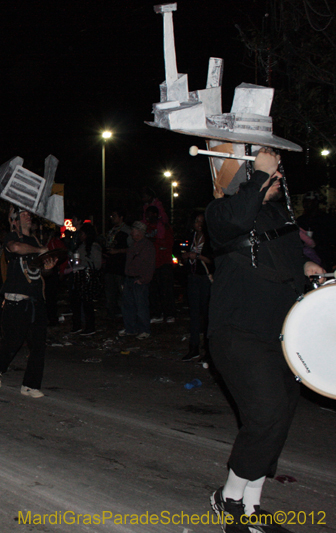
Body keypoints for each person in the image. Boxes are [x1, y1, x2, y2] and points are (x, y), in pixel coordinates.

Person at [206, 148, 325, 529]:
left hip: (281, 335)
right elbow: (239, 219)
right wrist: (259, 175)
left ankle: (251, 506)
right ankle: (228, 499)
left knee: (280, 418)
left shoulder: (278, 215)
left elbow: (286, 257)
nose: (277, 179)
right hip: (238, 332)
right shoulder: (220, 211)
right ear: (245, 177)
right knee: (267, 413)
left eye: (276, 175)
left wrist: (306, 266)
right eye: (271, 175)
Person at [0, 207, 56, 398]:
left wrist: (49, 266)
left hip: (36, 299)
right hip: (17, 300)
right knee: (13, 341)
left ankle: (30, 385)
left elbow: (43, 272)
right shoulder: (11, 238)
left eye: (29, 214)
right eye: (23, 214)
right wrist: (40, 250)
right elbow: (16, 248)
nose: (28, 216)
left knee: (39, 345)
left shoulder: (36, 241)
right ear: (15, 221)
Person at [180, 212, 213, 362]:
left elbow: (212, 260)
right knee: (194, 314)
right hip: (192, 277)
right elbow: (183, 253)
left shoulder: (210, 238)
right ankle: (193, 348)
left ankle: (208, 350)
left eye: (201, 221)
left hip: (205, 278)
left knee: (206, 314)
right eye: (196, 221)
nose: (199, 224)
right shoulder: (191, 237)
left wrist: (197, 256)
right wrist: (186, 257)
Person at [119, 221, 154, 339]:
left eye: (133, 230)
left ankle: (144, 330)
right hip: (130, 278)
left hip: (139, 280)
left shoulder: (147, 246)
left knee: (141, 306)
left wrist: (144, 279)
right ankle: (131, 329)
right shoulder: (134, 245)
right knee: (128, 306)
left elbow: (150, 265)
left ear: (139, 232)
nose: (131, 233)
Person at [67, 222, 102, 336]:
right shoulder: (80, 246)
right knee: (76, 302)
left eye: (82, 233)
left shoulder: (94, 247)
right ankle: (77, 325)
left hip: (87, 278)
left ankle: (90, 326)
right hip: (78, 276)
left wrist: (84, 262)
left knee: (87, 303)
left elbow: (97, 264)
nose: (80, 236)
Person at [145, 204, 176, 324]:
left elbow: (168, 243)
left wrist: (155, 241)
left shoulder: (164, 226)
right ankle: (156, 313)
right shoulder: (147, 227)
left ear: (155, 214)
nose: (147, 217)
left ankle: (169, 314)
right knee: (153, 290)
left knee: (166, 290)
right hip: (152, 263)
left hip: (164, 262)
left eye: (149, 214)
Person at [103, 209, 131, 319]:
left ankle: (124, 312)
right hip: (110, 265)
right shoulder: (111, 231)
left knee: (122, 290)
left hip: (121, 266)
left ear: (121, 217)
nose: (112, 218)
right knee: (110, 290)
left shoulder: (127, 231)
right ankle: (111, 312)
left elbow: (132, 249)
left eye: (114, 216)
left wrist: (118, 251)